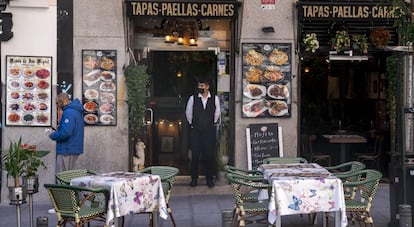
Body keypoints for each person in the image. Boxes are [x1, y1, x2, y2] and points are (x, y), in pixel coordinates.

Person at [185, 79, 220, 188]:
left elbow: (217, 112)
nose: (200, 87)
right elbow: (188, 113)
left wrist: (211, 123)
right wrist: (193, 123)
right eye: (199, 85)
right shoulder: (193, 98)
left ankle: (209, 179)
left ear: (207, 86)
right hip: (196, 130)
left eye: (202, 85)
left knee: (209, 155)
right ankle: (194, 179)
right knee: (195, 155)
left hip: (209, 131)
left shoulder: (214, 98)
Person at [49, 92, 85, 174]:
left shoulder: (68, 112)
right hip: (74, 148)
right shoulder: (76, 111)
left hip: (67, 150)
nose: (58, 106)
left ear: (62, 101)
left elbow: (66, 132)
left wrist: (53, 135)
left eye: (57, 103)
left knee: (62, 177)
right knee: (69, 177)